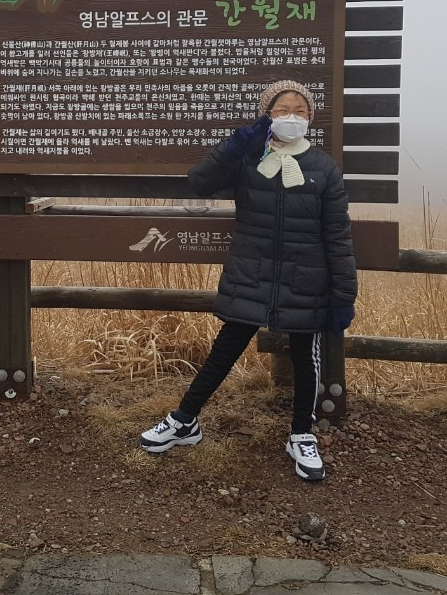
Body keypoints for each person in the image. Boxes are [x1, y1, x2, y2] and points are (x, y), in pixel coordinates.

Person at [138, 79, 357, 481]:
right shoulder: (248, 159)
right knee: (224, 350)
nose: (292, 117)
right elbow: (200, 182)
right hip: (250, 274)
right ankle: (184, 420)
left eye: (300, 111)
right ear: (266, 116)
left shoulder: (323, 168)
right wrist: (237, 144)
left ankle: (301, 434)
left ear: (311, 118)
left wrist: (344, 295)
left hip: (306, 280)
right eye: (282, 110)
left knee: (306, 360)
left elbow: (338, 236)